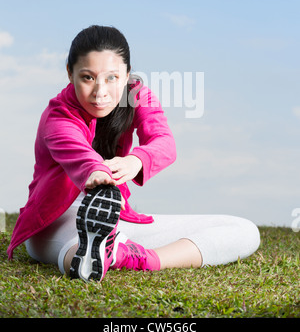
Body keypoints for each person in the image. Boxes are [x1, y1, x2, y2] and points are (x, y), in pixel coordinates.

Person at [7, 25, 260, 282]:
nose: (100, 92)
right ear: (69, 73)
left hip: (117, 219)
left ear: (127, 74)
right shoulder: (58, 115)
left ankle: (135, 256)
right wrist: (98, 173)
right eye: (88, 77)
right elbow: (81, 155)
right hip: (55, 220)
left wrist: (136, 160)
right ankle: (99, 253)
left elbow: (164, 142)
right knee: (75, 249)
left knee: (243, 230)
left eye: (112, 78)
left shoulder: (137, 95)